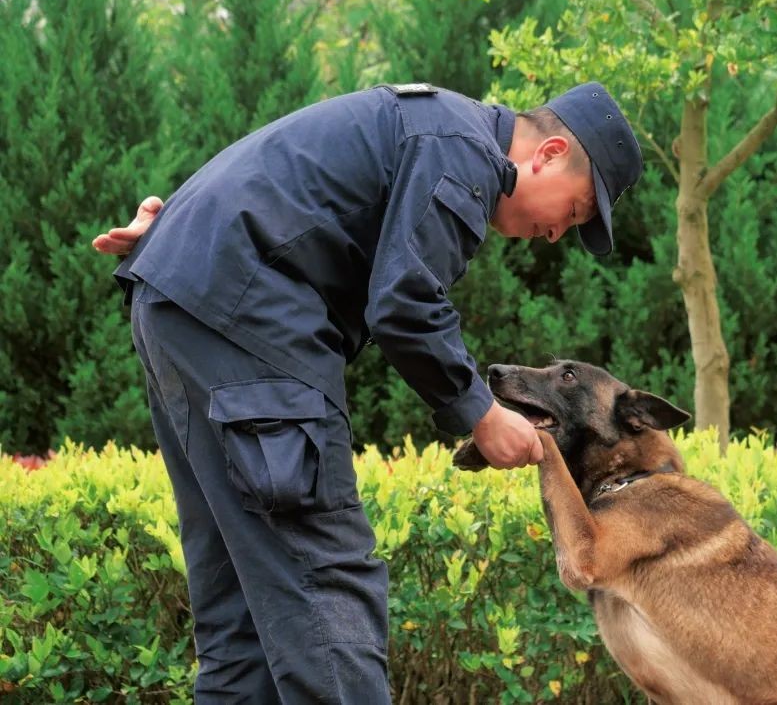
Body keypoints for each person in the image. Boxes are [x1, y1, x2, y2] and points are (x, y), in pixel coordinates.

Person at [92, 81, 644, 704]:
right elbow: (406, 304)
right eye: (572, 214)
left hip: (182, 301)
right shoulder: (460, 155)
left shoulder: (430, 125)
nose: (554, 235)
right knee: (324, 574)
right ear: (546, 153)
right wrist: (480, 413)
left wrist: (187, 234)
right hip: (240, 315)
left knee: (242, 611)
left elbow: (272, 181)